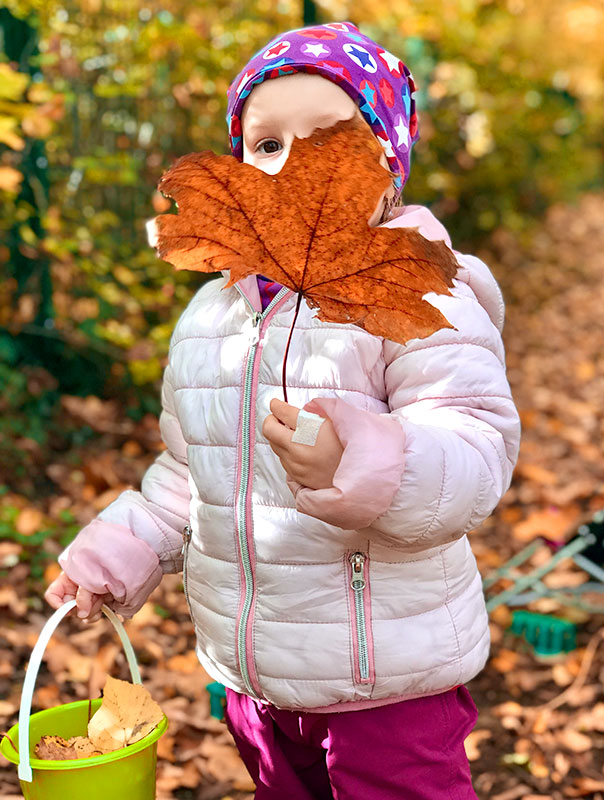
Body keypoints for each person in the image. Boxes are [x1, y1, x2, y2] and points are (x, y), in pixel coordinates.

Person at [46, 21, 520, 800]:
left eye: (329, 140)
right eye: (266, 145)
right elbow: (191, 464)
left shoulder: (421, 292)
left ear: (388, 167)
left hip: (386, 680)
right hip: (256, 675)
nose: (292, 163)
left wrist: (371, 462)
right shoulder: (212, 317)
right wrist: (122, 550)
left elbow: (473, 446)